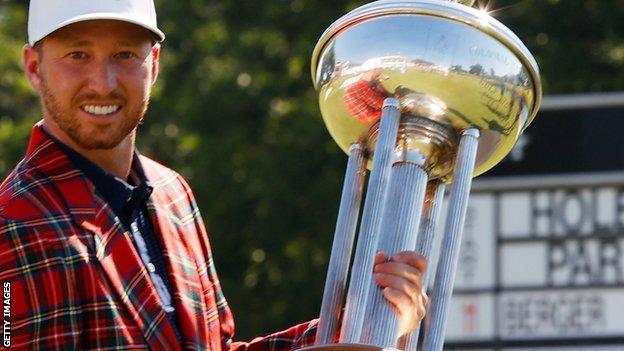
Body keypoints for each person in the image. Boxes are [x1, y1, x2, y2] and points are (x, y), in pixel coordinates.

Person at [0, 0, 428, 349]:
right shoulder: (12, 223)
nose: (103, 81)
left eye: (124, 54)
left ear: (154, 64)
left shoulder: (172, 194)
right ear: (34, 67)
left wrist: (356, 326)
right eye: (78, 54)